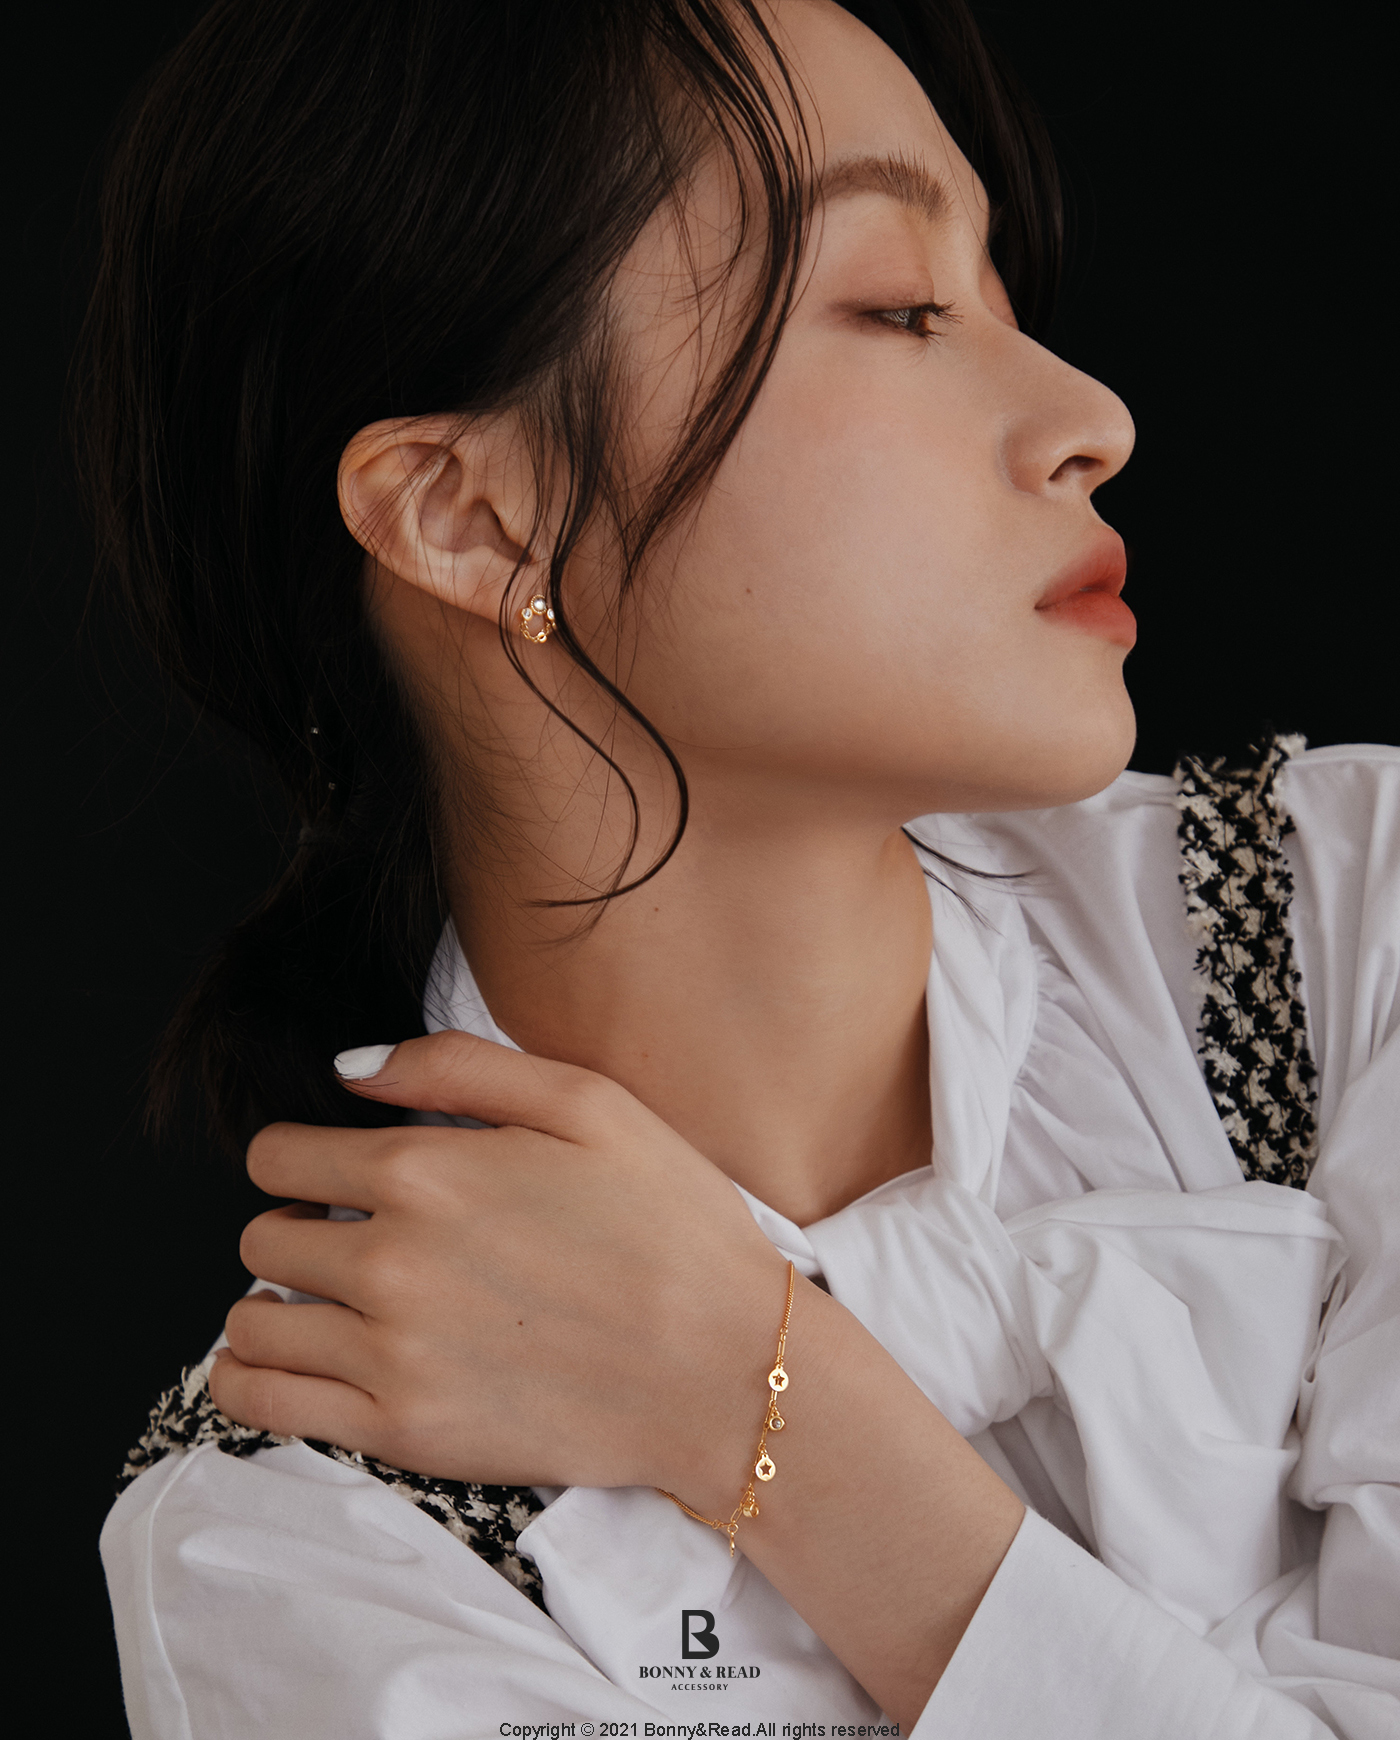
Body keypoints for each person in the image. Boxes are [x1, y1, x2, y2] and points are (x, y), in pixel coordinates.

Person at [83, 0, 1396, 1734]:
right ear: (472, 515)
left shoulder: (1344, 921)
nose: (1090, 416)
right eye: (901, 307)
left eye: (1000, 291)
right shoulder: (309, 1544)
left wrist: (759, 1406)